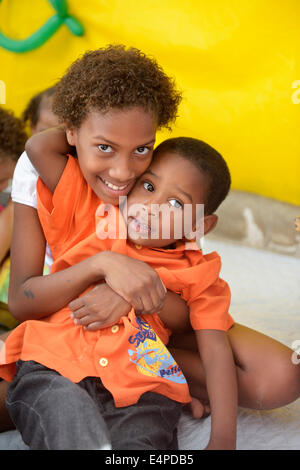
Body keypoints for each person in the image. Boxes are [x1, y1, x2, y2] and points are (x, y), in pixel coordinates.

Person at [26, 133, 300, 450]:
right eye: (149, 186)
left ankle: (176, 384)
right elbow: (40, 147)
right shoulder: (97, 217)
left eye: (175, 203)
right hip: (60, 361)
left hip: (139, 379)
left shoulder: (199, 275)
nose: (152, 208)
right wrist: (119, 138)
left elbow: (216, 354)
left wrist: (223, 439)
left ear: (201, 225)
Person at [0, 44, 191, 450]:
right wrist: (102, 265)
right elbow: (38, 147)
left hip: (142, 358)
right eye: (105, 146)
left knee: (143, 439)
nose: (123, 172)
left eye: (142, 148)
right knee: (58, 408)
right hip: (57, 349)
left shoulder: (166, 197)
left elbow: (193, 302)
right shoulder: (62, 184)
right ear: (71, 134)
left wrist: (128, 293)